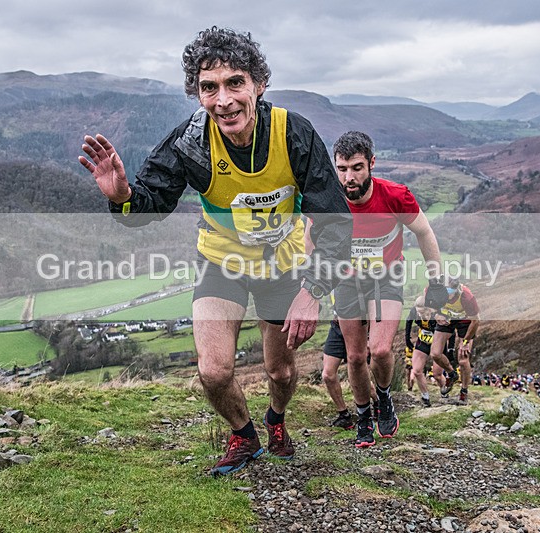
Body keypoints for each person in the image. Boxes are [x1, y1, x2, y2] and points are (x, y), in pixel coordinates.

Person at [79, 27, 352, 476]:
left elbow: (334, 220)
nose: (223, 100)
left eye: (235, 83)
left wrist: (313, 289)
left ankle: (276, 419)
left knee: (281, 373)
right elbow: (148, 204)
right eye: (209, 88)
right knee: (214, 371)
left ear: (259, 85)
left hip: (281, 266)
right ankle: (244, 435)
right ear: (198, 93)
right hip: (221, 262)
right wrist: (123, 195)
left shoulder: (293, 134)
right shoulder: (192, 142)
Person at [330, 131, 443, 448]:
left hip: (386, 277)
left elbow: (424, 232)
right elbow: (312, 238)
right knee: (355, 357)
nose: (349, 178)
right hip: (347, 281)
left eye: (357, 168)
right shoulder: (330, 199)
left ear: (371, 163)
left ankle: (383, 397)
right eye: (342, 169)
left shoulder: (395, 195)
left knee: (379, 350)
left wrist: (436, 281)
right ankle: (363, 416)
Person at [320, 317, 379, 429]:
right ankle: (344, 415)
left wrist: (368, 337)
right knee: (327, 375)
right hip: (337, 327)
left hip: (358, 327)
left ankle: (377, 402)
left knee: (357, 373)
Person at [430, 277, 480, 405]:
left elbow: (475, 321)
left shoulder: (467, 297)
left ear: (456, 291)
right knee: (435, 354)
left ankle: (464, 391)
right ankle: (452, 374)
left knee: (463, 359)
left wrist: (465, 342)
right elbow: (428, 306)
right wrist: (436, 315)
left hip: (465, 322)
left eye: (449, 294)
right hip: (447, 318)